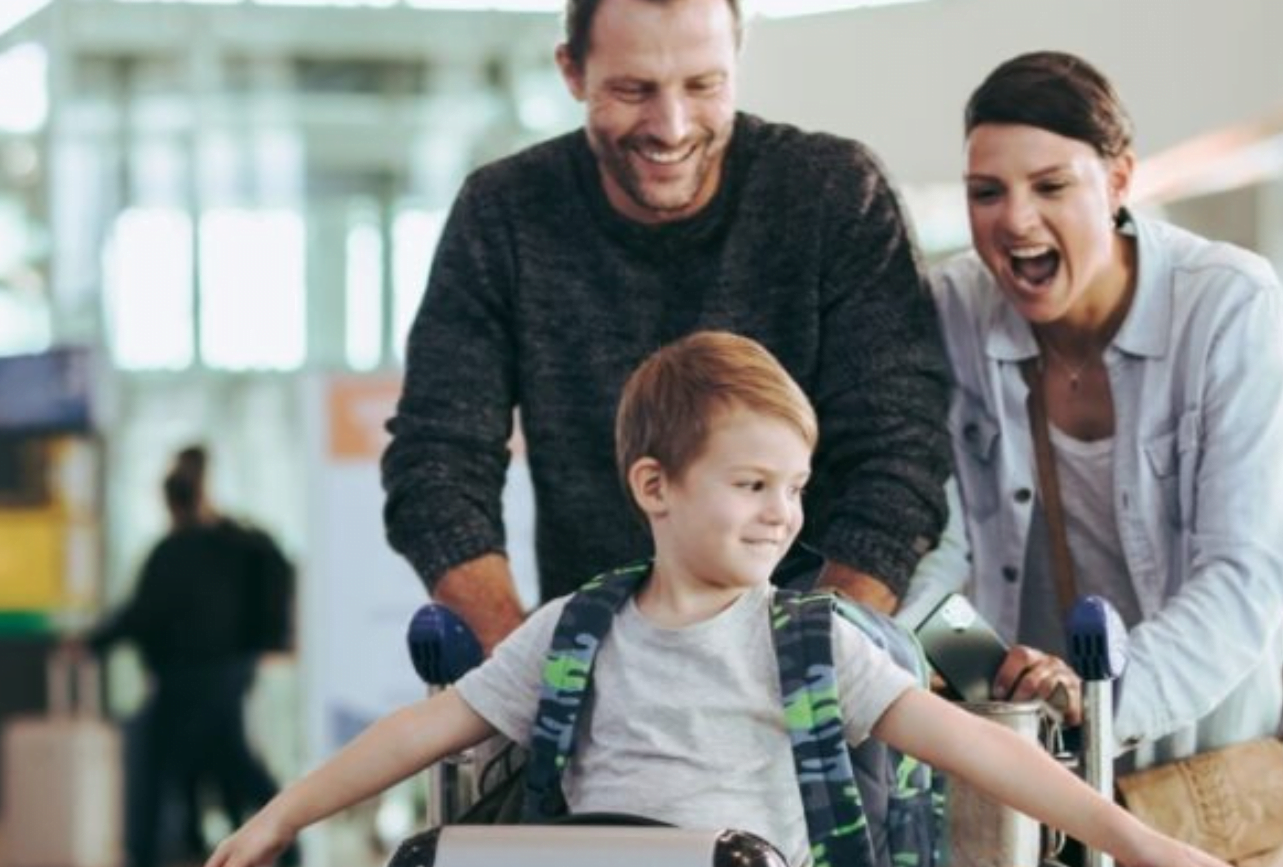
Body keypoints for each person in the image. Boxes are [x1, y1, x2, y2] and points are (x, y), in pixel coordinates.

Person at [208, 331, 1261, 867]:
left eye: (794, 486)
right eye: (751, 483)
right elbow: (419, 731)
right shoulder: (574, 629)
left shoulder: (812, 642)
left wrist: (1134, 840)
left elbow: (975, 746)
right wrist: (279, 815)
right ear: (655, 485)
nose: (782, 512)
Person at [902, 52, 1283, 867]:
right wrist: (997, 683)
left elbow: (1245, 572)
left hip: (1254, 744)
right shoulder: (947, 308)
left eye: (1050, 186)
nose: (1013, 220)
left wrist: (1095, 700)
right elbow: (933, 548)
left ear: (1119, 179)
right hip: (1068, 764)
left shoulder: (1224, 305)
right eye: (987, 191)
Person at [383, 0, 954, 652]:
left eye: (703, 85)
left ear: (736, 60)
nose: (672, 126)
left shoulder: (832, 195)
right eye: (634, 90)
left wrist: (807, 662)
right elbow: (436, 464)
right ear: (572, 72)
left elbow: (899, 458)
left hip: (812, 680)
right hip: (591, 679)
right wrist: (529, 669)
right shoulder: (504, 215)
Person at [83, 447, 294, 867]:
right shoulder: (239, 544)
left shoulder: (177, 551)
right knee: (231, 761)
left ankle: (143, 866)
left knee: (161, 761)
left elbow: (141, 615)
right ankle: (283, 847)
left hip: (189, 677)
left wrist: (91, 642)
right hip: (229, 672)